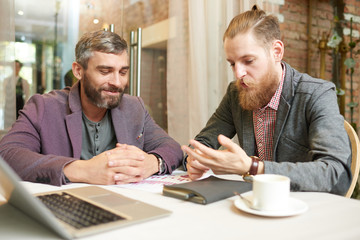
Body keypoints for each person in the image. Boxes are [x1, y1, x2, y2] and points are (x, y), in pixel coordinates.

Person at [182, 5, 352, 195]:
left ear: (277, 51)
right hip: (255, 206)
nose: (238, 73)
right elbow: (203, 141)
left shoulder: (317, 94)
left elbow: (337, 175)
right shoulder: (236, 93)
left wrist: (252, 166)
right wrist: (196, 159)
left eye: (248, 61)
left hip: (305, 210)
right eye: (232, 63)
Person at [0, 30, 183, 186]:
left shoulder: (134, 107)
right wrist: (83, 170)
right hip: (64, 211)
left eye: (123, 72)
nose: (117, 83)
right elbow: (7, 155)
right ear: (78, 71)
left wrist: (151, 163)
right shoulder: (43, 107)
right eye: (105, 72)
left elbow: (172, 148)